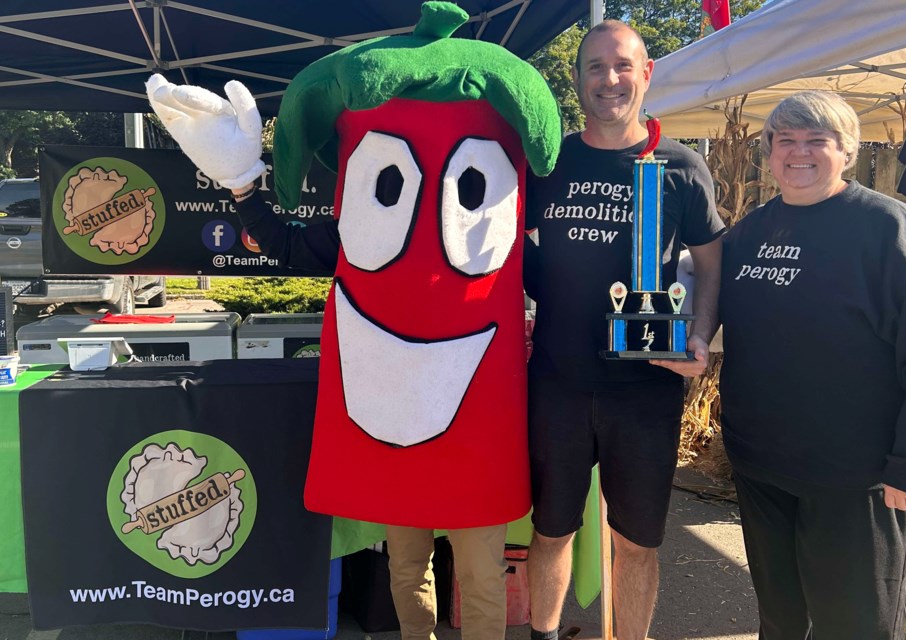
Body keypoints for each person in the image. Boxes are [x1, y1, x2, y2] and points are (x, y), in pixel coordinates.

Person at [146, 3, 563, 639]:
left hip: (479, 419)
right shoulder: (358, 225)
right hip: (393, 416)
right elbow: (284, 248)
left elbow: (562, 284)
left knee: (481, 574)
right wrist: (240, 182)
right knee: (406, 565)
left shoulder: (501, 242)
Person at [719, 90, 906, 639]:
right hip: (764, 467)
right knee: (780, 621)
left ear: (847, 152)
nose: (798, 153)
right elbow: (704, 301)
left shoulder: (894, 230)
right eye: (786, 141)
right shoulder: (752, 233)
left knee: (855, 626)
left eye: (816, 141)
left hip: (861, 478)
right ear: (769, 152)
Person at [523, 20, 725, 640]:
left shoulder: (681, 166)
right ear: (578, 77)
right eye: (594, 67)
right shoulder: (549, 161)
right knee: (551, 529)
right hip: (557, 381)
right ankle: (544, 634)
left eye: (621, 66)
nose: (608, 80)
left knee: (636, 541)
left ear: (645, 73)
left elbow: (713, 264)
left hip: (645, 387)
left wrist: (701, 338)